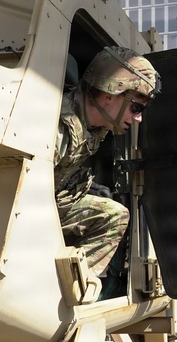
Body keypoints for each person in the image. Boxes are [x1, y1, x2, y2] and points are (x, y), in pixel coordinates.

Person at [55, 46, 161, 282]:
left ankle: (75, 284)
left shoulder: (98, 126)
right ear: (108, 95)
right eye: (136, 107)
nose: (138, 118)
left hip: (53, 203)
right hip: (26, 211)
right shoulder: (59, 127)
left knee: (114, 215)